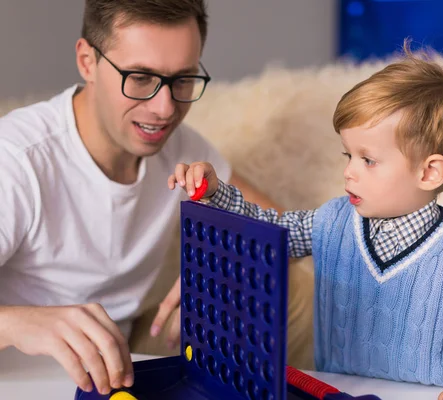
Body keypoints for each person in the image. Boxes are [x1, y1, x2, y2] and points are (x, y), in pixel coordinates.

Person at [169, 46, 443, 400]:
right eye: (348, 155)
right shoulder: (331, 221)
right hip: (336, 393)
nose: (348, 172)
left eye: (368, 160)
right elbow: (266, 234)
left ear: (429, 171)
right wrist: (217, 194)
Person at [0, 0, 281, 396]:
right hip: (21, 376)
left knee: (296, 287)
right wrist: (14, 323)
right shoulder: (16, 159)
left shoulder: (181, 147)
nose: (164, 109)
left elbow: (274, 221)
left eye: (182, 79)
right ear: (86, 61)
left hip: (129, 359)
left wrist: (222, 271)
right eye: (140, 77)